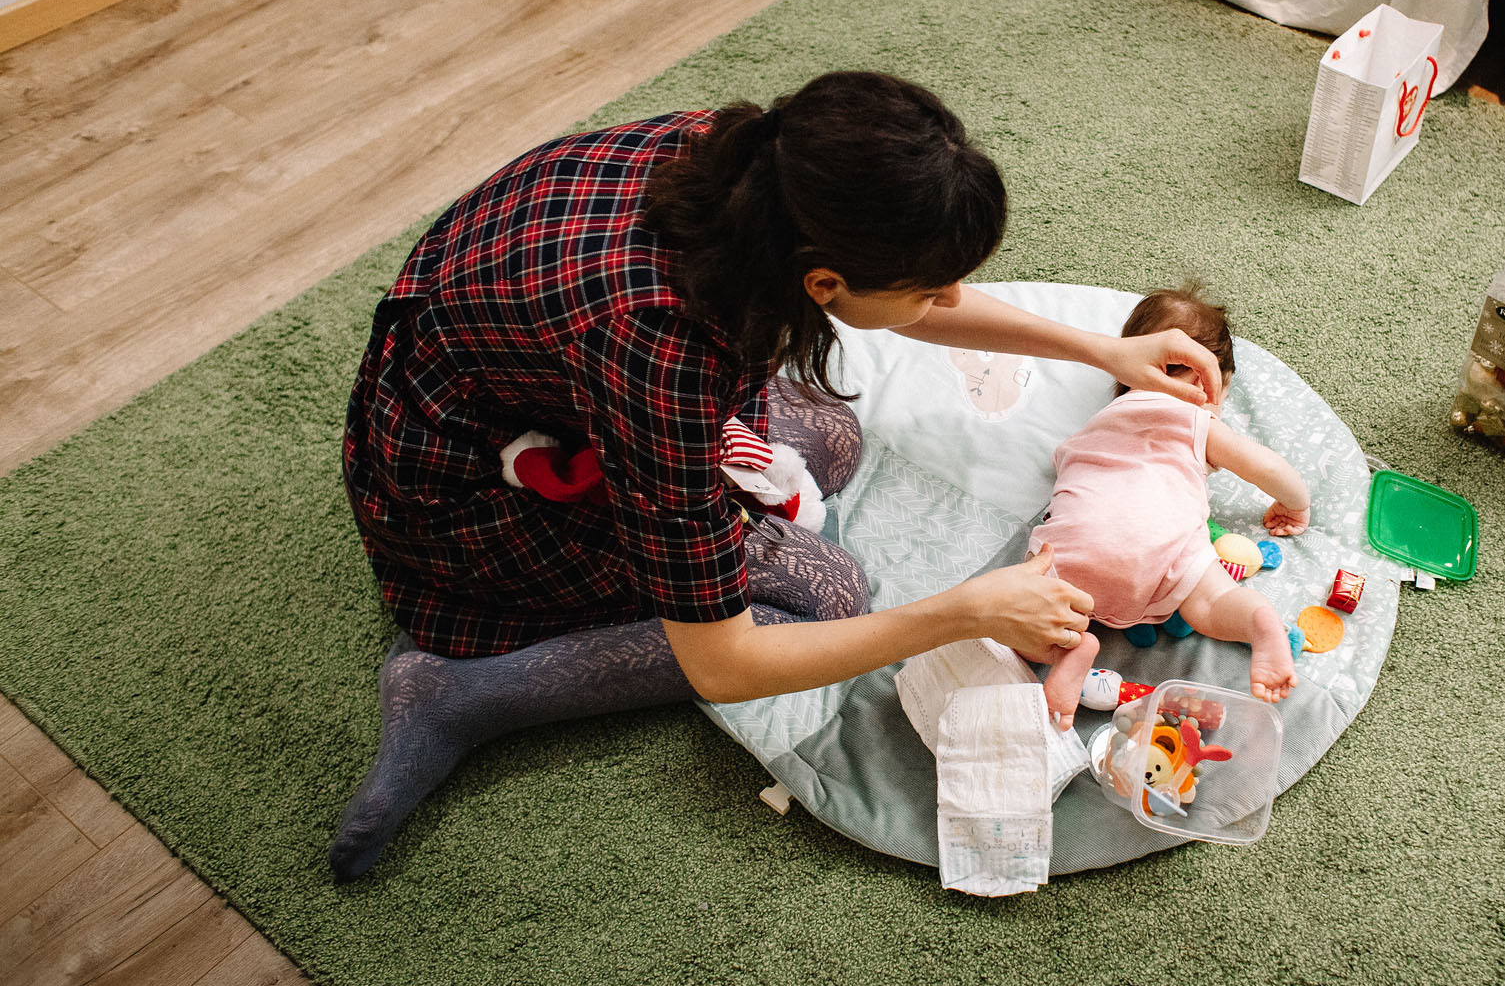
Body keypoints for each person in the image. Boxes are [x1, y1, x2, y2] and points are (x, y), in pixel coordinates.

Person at [330, 71, 1222, 880]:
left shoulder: (755, 160)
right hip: (459, 490)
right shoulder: (659, 349)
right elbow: (723, 664)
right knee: (827, 591)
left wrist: (1104, 348)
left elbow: (895, 307)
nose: (947, 304)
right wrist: (965, 607)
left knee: (829, 436)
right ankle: (461, 691)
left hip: (513, 379)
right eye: (930, 289)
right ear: (823, 280)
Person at [1028, 286, 1310, 727]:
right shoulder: (1196, 419)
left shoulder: (1100, 420)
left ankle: (1073, 648)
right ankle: (1259, 623)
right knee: (1212, 603)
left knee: (1027, 606)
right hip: (1168, 553)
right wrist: (1295, 503)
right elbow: (1268, 469)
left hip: (1074, 547)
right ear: (1203, 380)